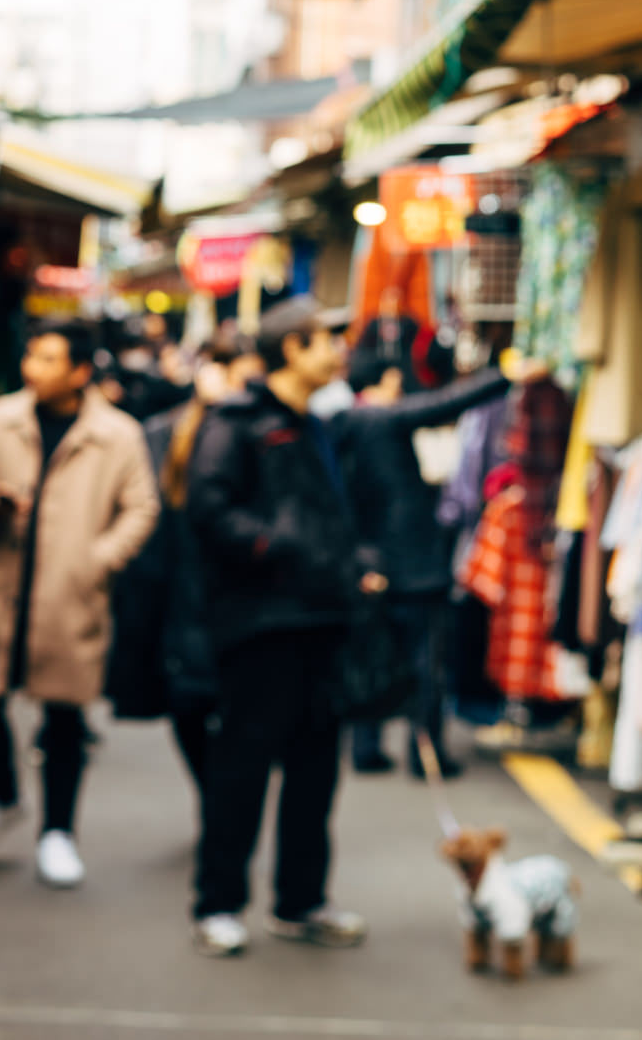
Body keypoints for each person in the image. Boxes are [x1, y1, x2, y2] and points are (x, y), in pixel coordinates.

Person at [185, 296, 378, 957]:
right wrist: (275, 546)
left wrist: (353, 562)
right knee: (241, 765)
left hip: (321, 620)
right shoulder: (236, 421)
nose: (339, 349)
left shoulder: (317, 422)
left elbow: (328, 515)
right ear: (293, 348)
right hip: (260, 625)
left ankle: (300, 900)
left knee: (315, 770)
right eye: (328, 338)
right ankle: (217, 901)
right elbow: (208, 509)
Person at [0, 321, 160, 888]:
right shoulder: (0, 418)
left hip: (70, 593)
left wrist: (99, 559)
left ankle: (57, 833)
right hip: (0, 587)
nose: (31, 368)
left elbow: (141, 508)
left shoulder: (117, 434)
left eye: (47, 358)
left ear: (80, 371)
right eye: (31, 355)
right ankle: (2, 796)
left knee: (65, 717)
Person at [335, 351, 510, 778]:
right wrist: (504, 375)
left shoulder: (341, 423)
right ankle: (426, 752)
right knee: (424, 661)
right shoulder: (383, 418)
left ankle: (367, 746)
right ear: (387, 379)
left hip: (370, 562)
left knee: (374, 650)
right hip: (415, 566)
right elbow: (447, 403)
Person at [107, 334, 264, 788]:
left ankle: (224, 810)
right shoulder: (165, 434)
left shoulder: (261, 433)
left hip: (238, 596)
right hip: (180, 593)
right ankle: (215, 798)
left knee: (237, 711)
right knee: (189, 706)